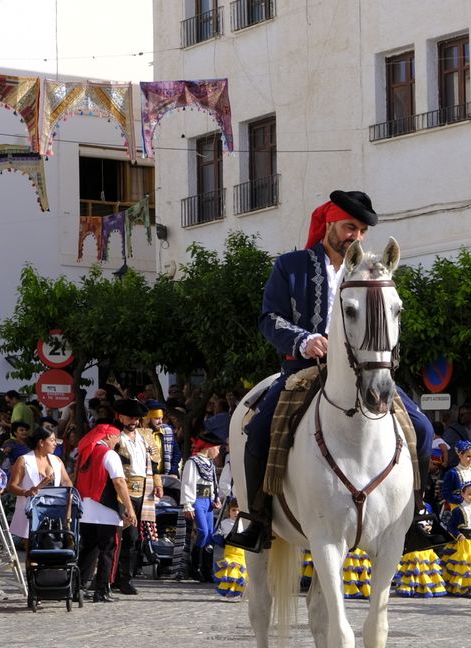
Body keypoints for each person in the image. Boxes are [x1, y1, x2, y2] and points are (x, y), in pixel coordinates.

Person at [229, 190, 436, 551]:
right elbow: (269, 318)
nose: (353, 235)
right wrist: (303, 340)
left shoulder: (371, 272)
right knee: (260, 428)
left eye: (360, 230)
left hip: (363, 372)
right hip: (304, 370)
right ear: (329, 223)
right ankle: (256, 517)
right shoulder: (291, 266)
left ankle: (416, 515)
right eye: (348, 227)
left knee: (423, 427)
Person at [72, 424, 136, 603]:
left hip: (86, 508)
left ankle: (78, 588)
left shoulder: (86, 452)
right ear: (108, 436)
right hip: (106, 508)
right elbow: (119, 482)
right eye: (116, 437)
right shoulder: (109, 454)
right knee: (108, 550)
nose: (118, 440)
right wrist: (130, 508)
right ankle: (102, 589)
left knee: (88, 549)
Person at [110, 398, 153, 593]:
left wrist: (157, 483)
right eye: (130, 417)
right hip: (122, 491)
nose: (133, 421)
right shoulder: (116, 437)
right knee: (121, 535)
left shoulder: (143, 437)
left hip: (142, 491)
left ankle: (125, 577)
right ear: (120, 416)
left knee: (134, 537)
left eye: (136, 418)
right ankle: (115, 578)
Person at [7, 426, 70, 542]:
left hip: (53, 511)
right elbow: (11, 486)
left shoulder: (57, 460)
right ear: (41, 442)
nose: (55, 444)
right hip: (30, 512)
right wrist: (27, 492)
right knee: (31, 550)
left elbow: (66, 481)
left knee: (50, 547)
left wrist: (69, 495)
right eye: (52, 440)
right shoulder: (24, 460)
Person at [179, 431, 224, 583]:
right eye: (217, 448)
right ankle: (194, 567)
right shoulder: (193, 462)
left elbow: (213, 483)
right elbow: (188, 483)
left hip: (208, 501)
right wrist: (187, 505)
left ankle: (207, 569)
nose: (218, 451)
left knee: (210, 534)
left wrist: (215, 498)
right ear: (209, 447)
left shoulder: (209, 463)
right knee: (203, 532)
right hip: (197, 500)